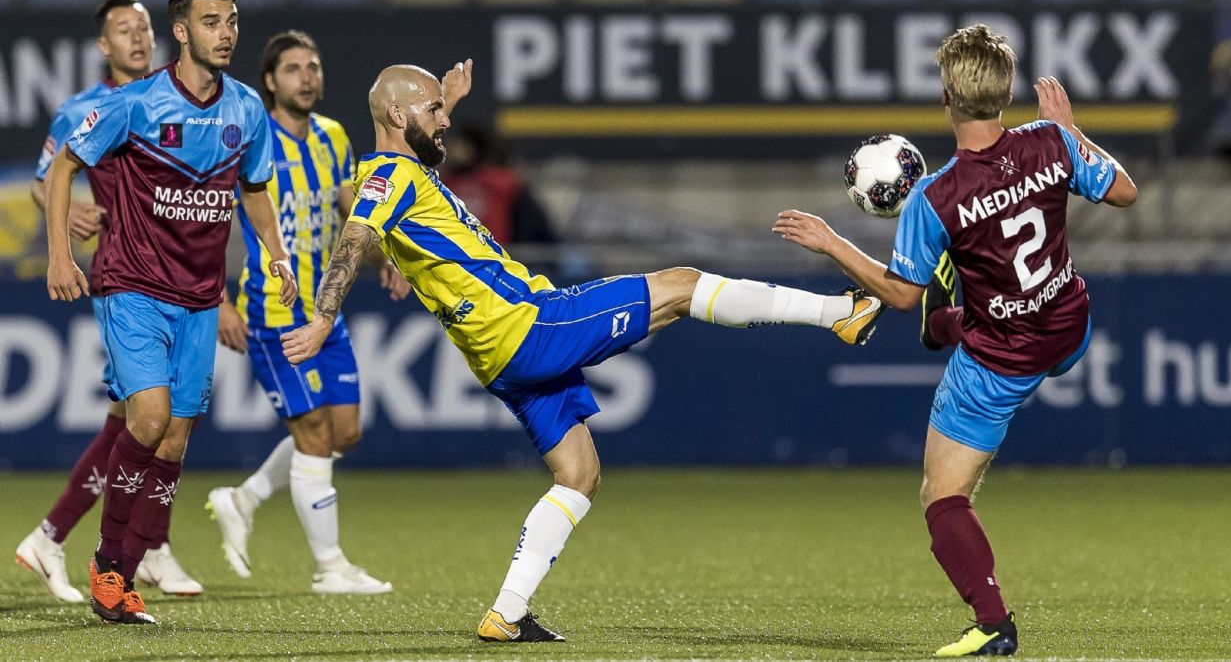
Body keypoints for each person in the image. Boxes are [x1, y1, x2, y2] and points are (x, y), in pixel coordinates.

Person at [280, 63, 884, 642]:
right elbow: (356, 234)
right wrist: (323, 316)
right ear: (394, 111)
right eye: (433, 109)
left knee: (579, 475)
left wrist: (448, 102)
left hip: (497, 356)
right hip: (528, 325)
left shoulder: (393, 173)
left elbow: (361, 198)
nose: (445, 121)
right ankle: (840, 314)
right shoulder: (393, 177)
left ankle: (507, 613)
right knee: (680, 285)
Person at [772, 24, 1137, 657]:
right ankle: (950, 318)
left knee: (942, 494)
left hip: (999, 361)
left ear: (947, 98)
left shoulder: (934, 198)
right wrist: (1070, 128)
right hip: (1067, 322)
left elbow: (897, 293)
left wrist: (832, 242)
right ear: (1006, 92)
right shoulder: (1050, 142)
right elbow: (1127, 192)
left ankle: (993, 624)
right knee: (963, 309)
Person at [44, 0, 296, 625]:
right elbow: (67, 165)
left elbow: (257, 188)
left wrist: (276, 252)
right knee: (148, 419)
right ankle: (105, 561)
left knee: (176, 441)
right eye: (212, 22)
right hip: (132, 286)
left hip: (200, 297)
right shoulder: (137, 103)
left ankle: (122, 579)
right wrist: (58, 254)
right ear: (182, 32)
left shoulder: (245, 109)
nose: (227, 33)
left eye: (233, 20)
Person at [205, 33, 468, 593]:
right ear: (270, 81)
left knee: (344, 433)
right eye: (293, 68)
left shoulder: (332, 136)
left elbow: (351, 204)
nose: (307, 76)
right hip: (274, 311)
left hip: (329, 303)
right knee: (315, 436)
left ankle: (242, 498)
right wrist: (218, 300)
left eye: (314, 66)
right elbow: (210, 223)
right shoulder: (251, 141)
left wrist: (386, 253)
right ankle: (330, 568)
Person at [17, 0, 200, 601]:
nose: (137, 38)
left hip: (178, 279)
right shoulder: (85, 107)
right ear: (104, 45)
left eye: (143, 28)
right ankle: (134, 546)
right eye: (124, 30)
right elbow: (48, 181)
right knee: (154, 420)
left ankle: (67, 538)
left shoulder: (172, 97)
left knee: (144, 421)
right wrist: (66, 224)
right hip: (125, 281)